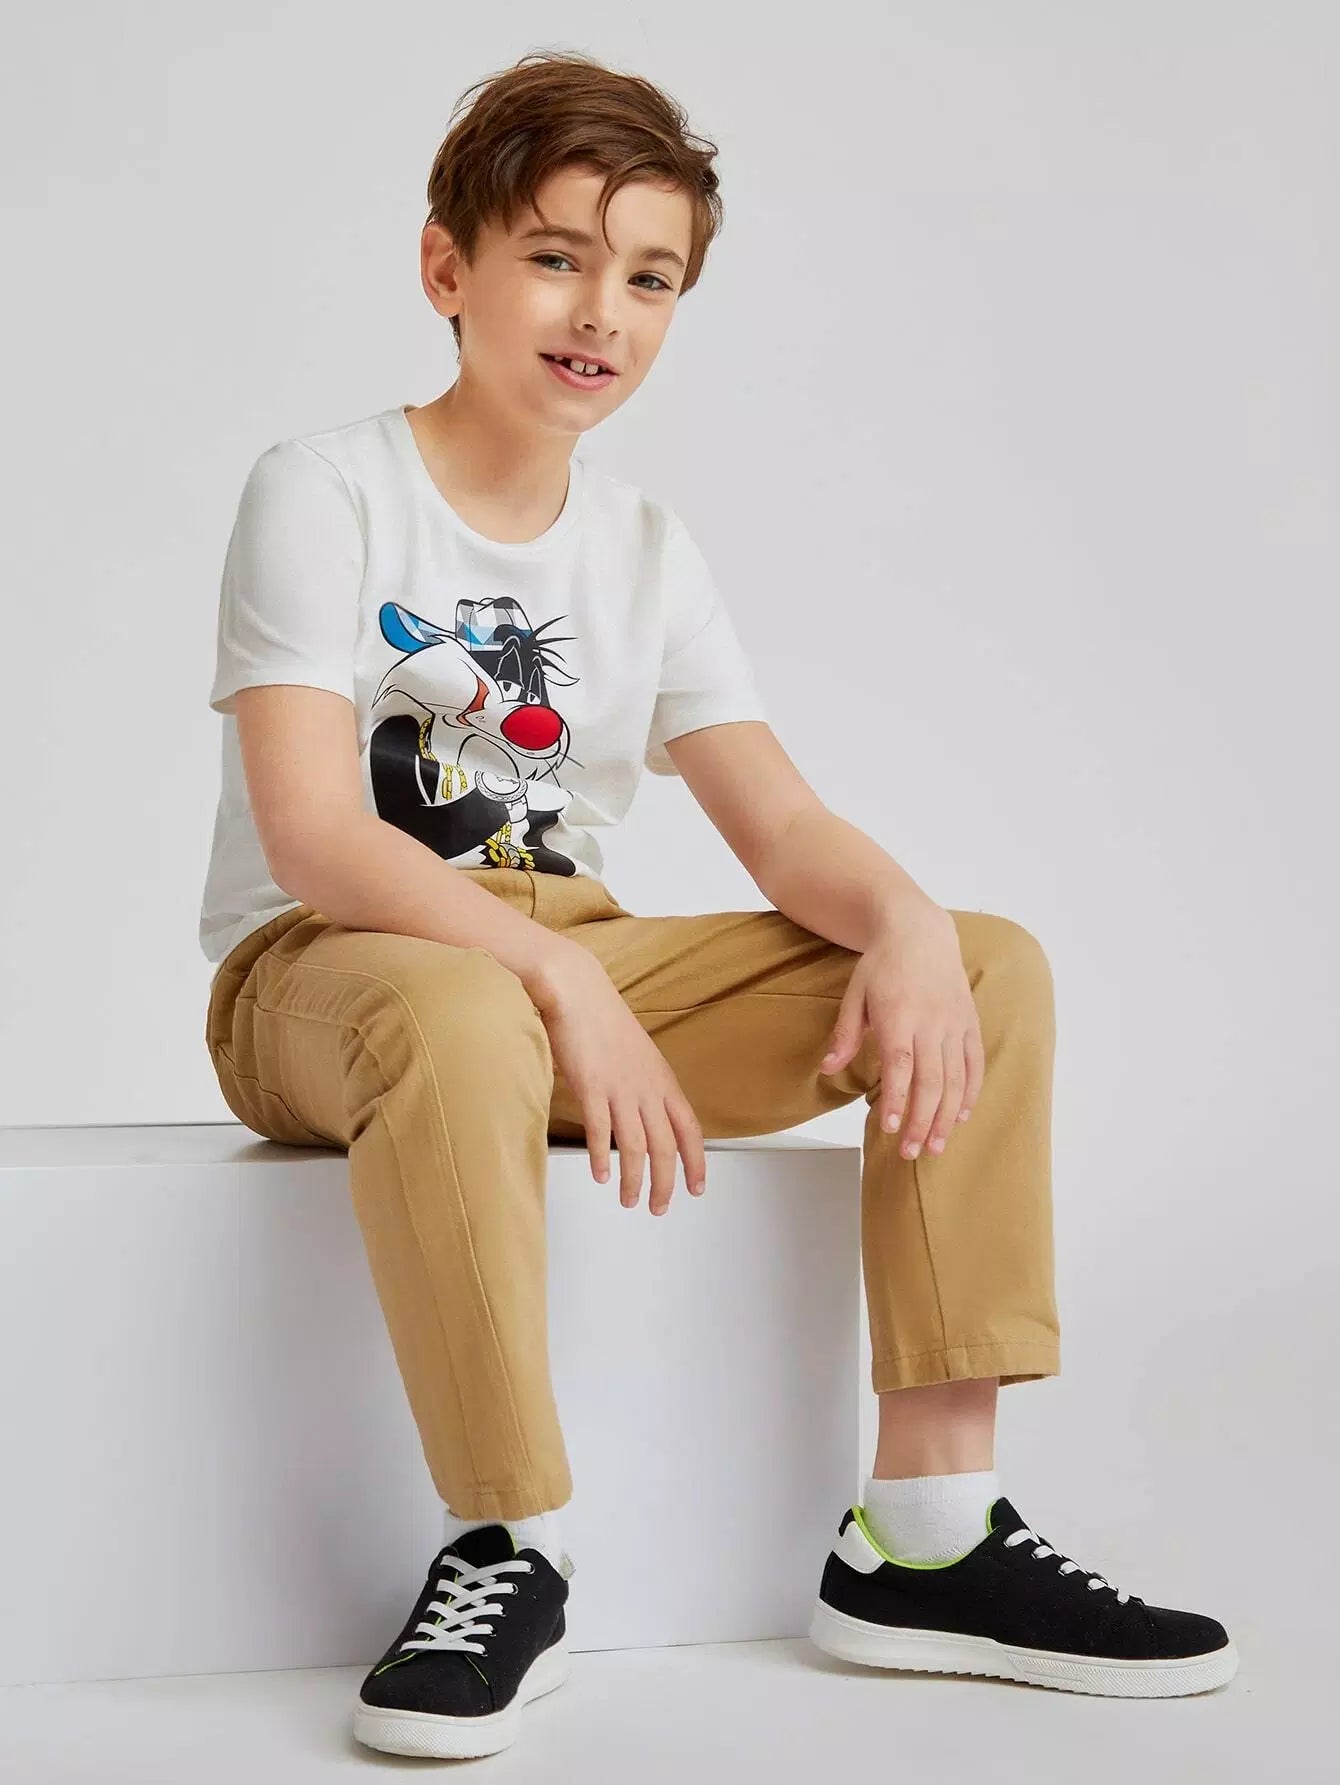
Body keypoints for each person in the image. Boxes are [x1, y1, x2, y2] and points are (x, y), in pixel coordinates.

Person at [200, 48, 1237, 1761]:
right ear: (448, 267)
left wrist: (905, 921)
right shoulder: (323, 488)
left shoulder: (647, 551)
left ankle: (928, 1534)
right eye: (556, 257)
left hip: (568, 956)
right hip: (328, 972)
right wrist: (555, 983)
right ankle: (504, 1544)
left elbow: (783, 825)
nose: (600, 311)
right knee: (465, 1004)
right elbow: (313, 833)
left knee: (983, 963)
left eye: (651, 277)